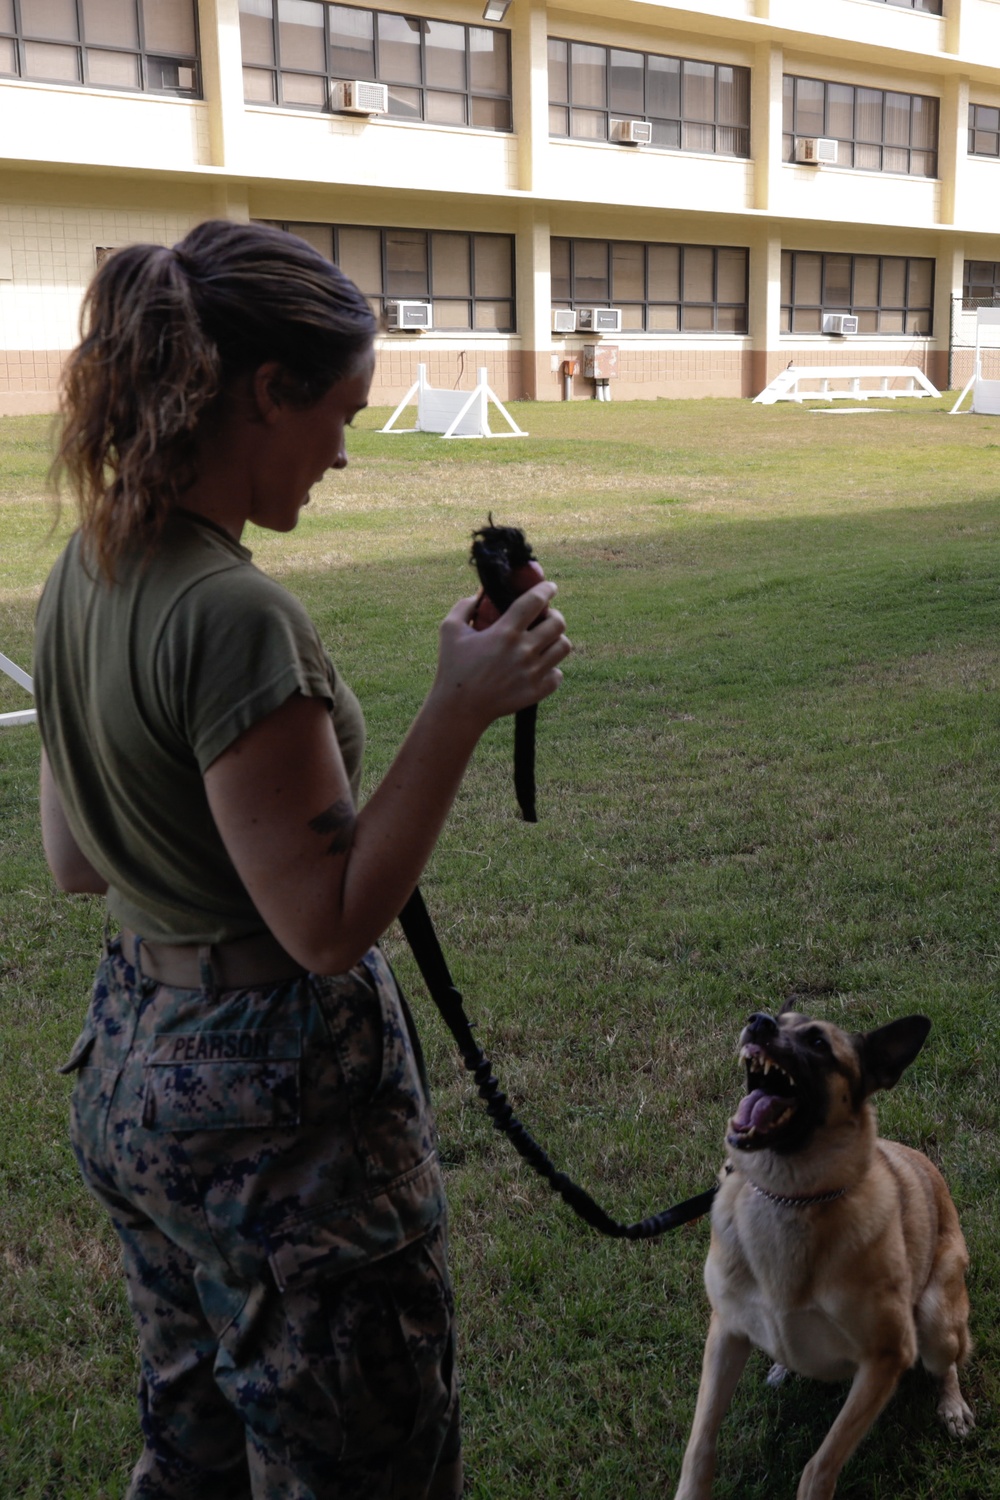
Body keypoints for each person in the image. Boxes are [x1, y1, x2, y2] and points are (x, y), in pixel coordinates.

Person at [33, 219, 570, 1500]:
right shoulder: (235, 613)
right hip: (280, 1127)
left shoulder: (88, 561)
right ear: (263, 391)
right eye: (336, 411)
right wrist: (458, 707)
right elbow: (327, 927)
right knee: (358, 1462)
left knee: (195, 1440)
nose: (341, 449)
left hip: (133, 1071)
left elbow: (74, 861)